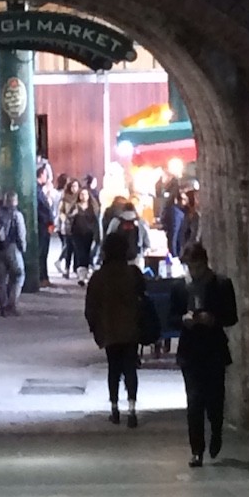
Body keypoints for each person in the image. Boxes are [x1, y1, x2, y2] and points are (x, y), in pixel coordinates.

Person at [169, 242, 238, 467]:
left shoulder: (221, 284)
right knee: (194, 400)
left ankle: (216, 432)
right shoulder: (180, 288)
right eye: (190, 267)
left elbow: (231, 316)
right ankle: (196, 449)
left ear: (205, 264)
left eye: (197, 266)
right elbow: (171, 316)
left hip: (214, 349)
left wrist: (213, 319)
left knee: (215, 399)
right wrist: (183, 319)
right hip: (190, 350)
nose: (194, 271)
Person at [84, 232, 147, 428]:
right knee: (130, 368)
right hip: (131, 327)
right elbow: (144, 297)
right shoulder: (133, 273)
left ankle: (114, 408)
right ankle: (132, 409)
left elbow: (91, 306)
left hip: (109, 328)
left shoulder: (99, 277)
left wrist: (95, 327)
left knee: (114, 368)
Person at [0, 190, 27, 316]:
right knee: (19, 274)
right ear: (15, 201)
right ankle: (12, 303)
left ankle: (3, 305)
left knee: (1, 278)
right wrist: (23, 248)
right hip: (12, 247)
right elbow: (21, 233)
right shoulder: (17, 215)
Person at [70, 186, 100, 285]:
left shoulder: (93, 207)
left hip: (90, 234)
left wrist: (97, 234)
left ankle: (87, 274)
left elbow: (96, 222)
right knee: (80, 254)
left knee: (88, 254)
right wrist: (72, 215)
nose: (83, 196)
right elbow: (68, 218)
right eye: (81, 194)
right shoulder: (75, 207)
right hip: (77, 234)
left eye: (85, 194)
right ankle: (82, 277)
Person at [55, 177, 80, 278]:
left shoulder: (81, 197)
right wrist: (64, 219)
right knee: (68, 248)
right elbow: (60, 211)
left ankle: (76, 268)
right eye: (73, 186)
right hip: (68, 226)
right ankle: (67, 269)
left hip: (79, 226)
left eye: (76, 186)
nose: (74, 188)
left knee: (77, 249)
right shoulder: (65, 198)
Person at [37, 163, 55, 287]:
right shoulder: (37, 191)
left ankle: (44, 277)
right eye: (46, 175)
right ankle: (42, 278)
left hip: (45, 226)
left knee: (44, 253)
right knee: (42, 253)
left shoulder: (40, 191)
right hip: (42, 227)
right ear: (41, 174)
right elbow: (41, 210)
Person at [160, 191, 186, 258]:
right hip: (177, 251)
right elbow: (174, 234)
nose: (186, 202)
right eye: (184, 200)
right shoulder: (176, 213)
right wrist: (174, 255)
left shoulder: (178, 211)